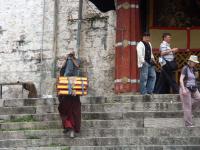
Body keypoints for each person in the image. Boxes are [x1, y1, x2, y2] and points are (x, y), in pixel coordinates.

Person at [58, 49, 81, 138]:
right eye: (69, 54)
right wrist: (66, 59)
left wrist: (72, 58)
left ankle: (71, 129)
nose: (70, 56)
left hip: (74, 89)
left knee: (73, 111)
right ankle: (67, 127)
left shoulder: (77, 61)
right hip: (65, 89)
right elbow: (61, 71)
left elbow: (77, 67)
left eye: (72, 54)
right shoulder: (65, 61)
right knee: (64, 109)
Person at [180, 55, 200, 127]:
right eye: (194, 62)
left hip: (194, 87)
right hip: (186, 87)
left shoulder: (194, 69)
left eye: (195, 62)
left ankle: (189, 113)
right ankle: (188, 124)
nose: (195, 63)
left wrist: (196, 73)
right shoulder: (185, 68)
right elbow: (181, 79)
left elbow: (195, 78)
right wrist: (183, 89)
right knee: (187, 106)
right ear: (190, 62)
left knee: (198, 99)